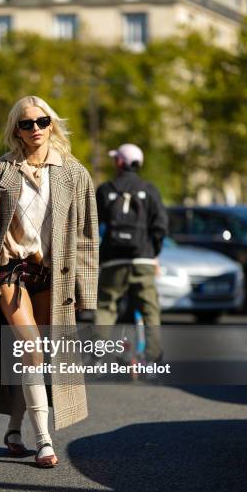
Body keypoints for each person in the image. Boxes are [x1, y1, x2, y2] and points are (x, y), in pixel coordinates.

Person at [0, 95, 99, 467]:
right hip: (10, 272)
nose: (35, 129)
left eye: (42, 121)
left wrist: (87, 294)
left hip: (52, 274)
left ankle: (14, 428)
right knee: (31, 349)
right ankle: (45, 441)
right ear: (15, 130)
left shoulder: (74, 173)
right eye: (26, 124)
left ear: (52, 124)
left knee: (35, 356)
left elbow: (87, 236)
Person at [95, 143, 168, 362]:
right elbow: (161, 225)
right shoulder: (150, 189)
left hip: (112, 260)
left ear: (119, 162)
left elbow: (90, 225)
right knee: (149, 310)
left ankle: (98, 357)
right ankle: (153, 356)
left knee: (106, 306)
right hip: (142, 258)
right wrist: (152, 252)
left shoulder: (106, 190)